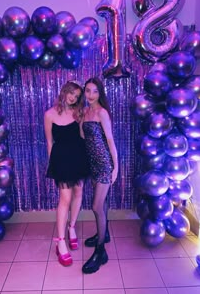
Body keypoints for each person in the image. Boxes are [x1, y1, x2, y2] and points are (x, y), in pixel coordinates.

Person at [44, 81, 89, 267]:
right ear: (64, 91)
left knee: (79, 192)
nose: (73, 98)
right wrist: (53, 165)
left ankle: (72, 228)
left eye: (77, 96)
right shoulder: (49, 114)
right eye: (71, 93)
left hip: (79, 156)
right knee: (65, 198)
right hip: (61, 159)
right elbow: (49, 142)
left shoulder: (79, 112)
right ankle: (60, 241)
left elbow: (84, 136)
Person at [81, 77, 118, 274]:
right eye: (88, 91)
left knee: (96, 206)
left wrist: (116, 167)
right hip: (92, 164)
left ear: (100, 93)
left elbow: (110, 141)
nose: (91, 95)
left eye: (95, 91)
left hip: (104, 163)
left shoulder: (102, 113)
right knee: (101, 205)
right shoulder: (86, 112)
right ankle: (104, 234)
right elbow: (82, 137)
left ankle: (100, 252)